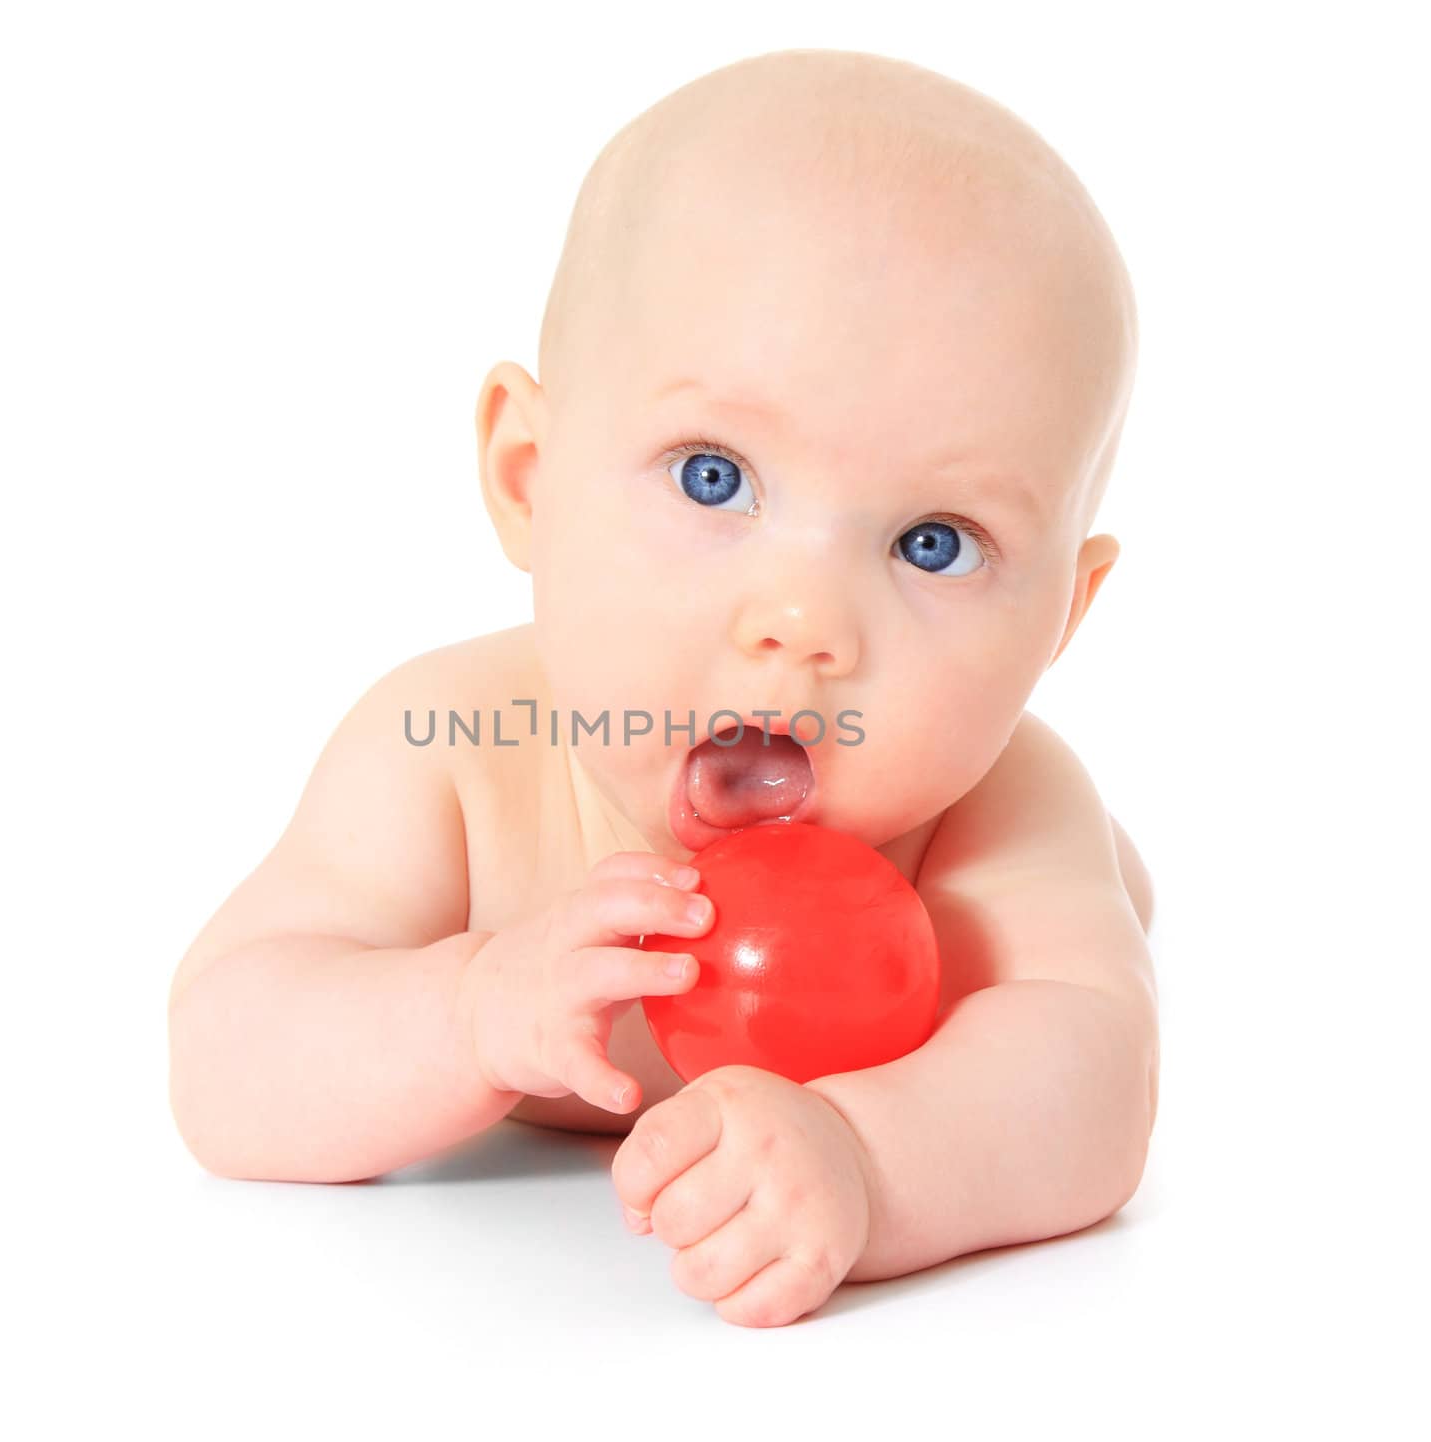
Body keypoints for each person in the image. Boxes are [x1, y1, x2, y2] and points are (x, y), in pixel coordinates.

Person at [168, 47, 1159, 1329]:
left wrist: (871, 1158)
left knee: (1090, 914)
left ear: (1059, 622)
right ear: (529, 475)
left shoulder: (999, 806)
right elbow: (221, 1058)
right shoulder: (456, 764)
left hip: (1019, 920)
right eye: (712, 478)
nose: (802, 627)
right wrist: (464, 1010)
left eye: (934, 543)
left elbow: (1093, 1077)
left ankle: (1119, 897)